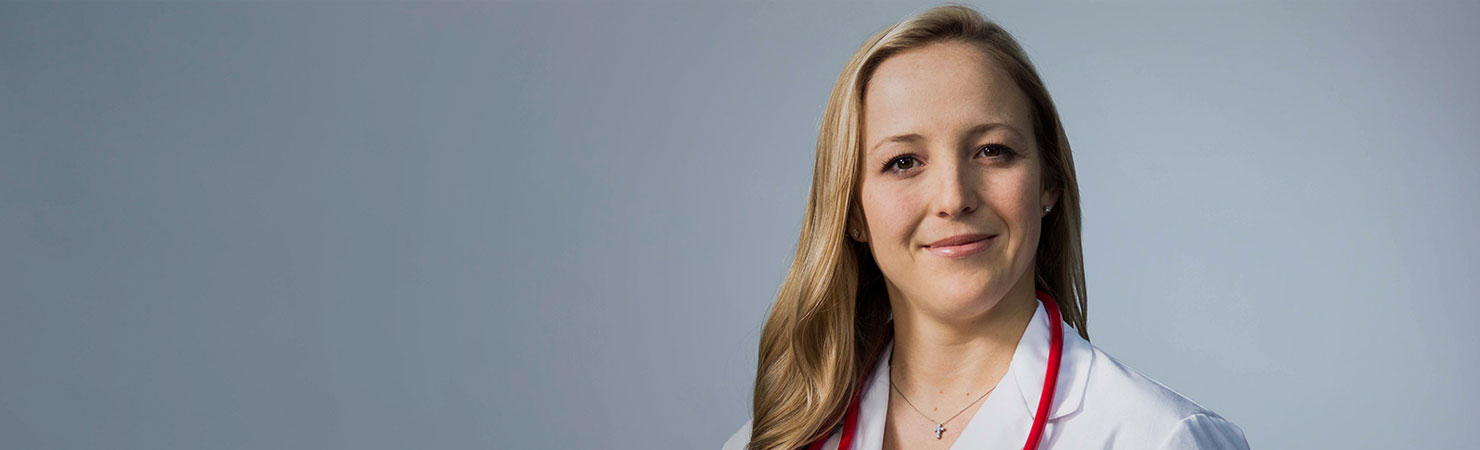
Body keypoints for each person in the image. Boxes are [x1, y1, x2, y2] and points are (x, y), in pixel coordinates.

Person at [723, 5, 1250, 450]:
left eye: (992, 151)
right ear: (853, 213)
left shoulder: (1159, 437)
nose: (954, 199)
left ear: (1049, 183)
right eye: (904, 162)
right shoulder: (775, 440)